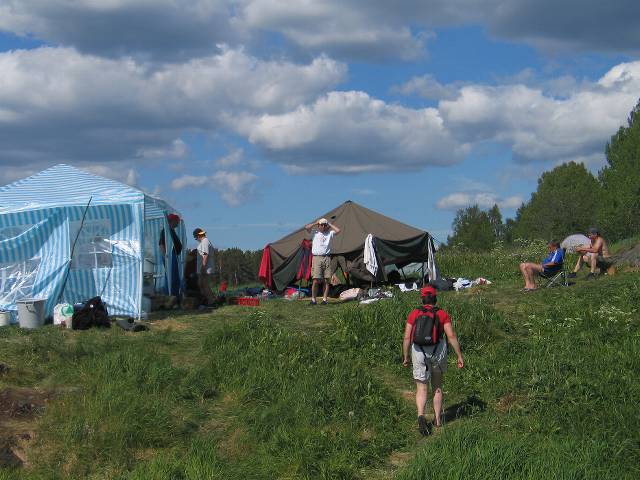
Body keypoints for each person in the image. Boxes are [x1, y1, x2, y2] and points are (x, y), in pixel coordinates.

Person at [402, 286, 464, 435]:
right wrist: (459, 355)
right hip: (438, 351)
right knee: (437, 387)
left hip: (419, 352)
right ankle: (437, 420)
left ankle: (421, 416)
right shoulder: (442, 314)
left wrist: (406, 356)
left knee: (421, 388)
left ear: (422, 299)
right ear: (435, 298)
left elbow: (407, 337)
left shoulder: (414, 313)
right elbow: (451, 336)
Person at [304, 218, 341, 305]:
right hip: (317, 258)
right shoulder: (315, 232)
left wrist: (329, 224)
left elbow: (338, 230)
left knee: (327, 280)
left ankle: (324, 300)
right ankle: (313, 300)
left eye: (325, 225)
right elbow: (306, 227)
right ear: (318, 225)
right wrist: (315, 223)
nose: (323, 226)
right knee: (315, 280)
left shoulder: (329, 233)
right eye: (321, 225)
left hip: (327, 258)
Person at [159, 213, 183, 297]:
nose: (178, 223)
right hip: (169, 255)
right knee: (171, 277)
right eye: (177, 221)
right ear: (172, 221)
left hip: (173, 255)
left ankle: (175, 295)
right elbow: (161, 244)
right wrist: (166, 256)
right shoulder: (166, 230)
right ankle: (170, 296)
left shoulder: (171, 231)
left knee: (175, 277)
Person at [193, 227, 216, 305]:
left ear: (198, 236)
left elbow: (205, 255)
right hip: (203, 267)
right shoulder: (204, 242)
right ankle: (208, 300)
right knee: (201, 284)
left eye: (196, 238)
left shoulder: (205, 241)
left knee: (205, 285)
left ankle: (211, 301)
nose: (196, 240)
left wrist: (203, 267)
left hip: (205, 267)